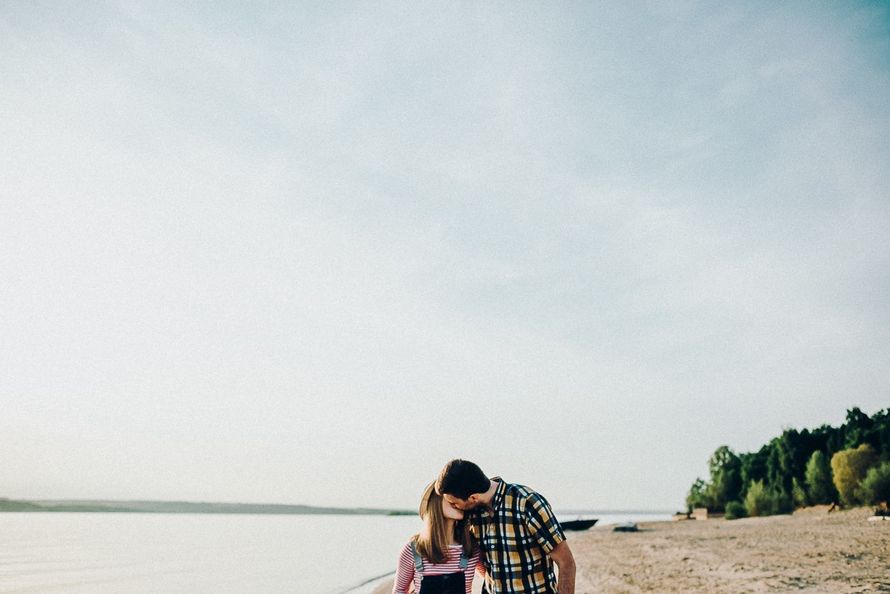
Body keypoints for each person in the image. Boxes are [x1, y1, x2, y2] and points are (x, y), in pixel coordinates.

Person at [435, 459, 575, 594]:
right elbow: (477, 559)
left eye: (454, 503)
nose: (453, 507)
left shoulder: (527, 502)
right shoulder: (470, 514)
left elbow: (566, 562)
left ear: (473, 497)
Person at [392, 481, 482, 594]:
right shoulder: (414, 549)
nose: (459, 500)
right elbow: (399, 591)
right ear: (435, 501)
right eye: (453, 495)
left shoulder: (471, 548)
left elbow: (492, 582)